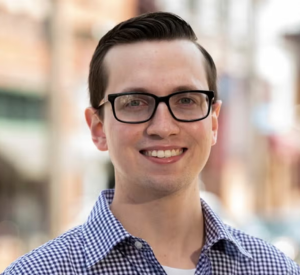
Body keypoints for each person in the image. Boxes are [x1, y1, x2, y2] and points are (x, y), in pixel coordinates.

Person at [3, 12, 300, 275]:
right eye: (135, 103)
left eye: (186, 100)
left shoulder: (274, 269)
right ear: (98, 128)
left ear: (213, 122)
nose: (163, 127)